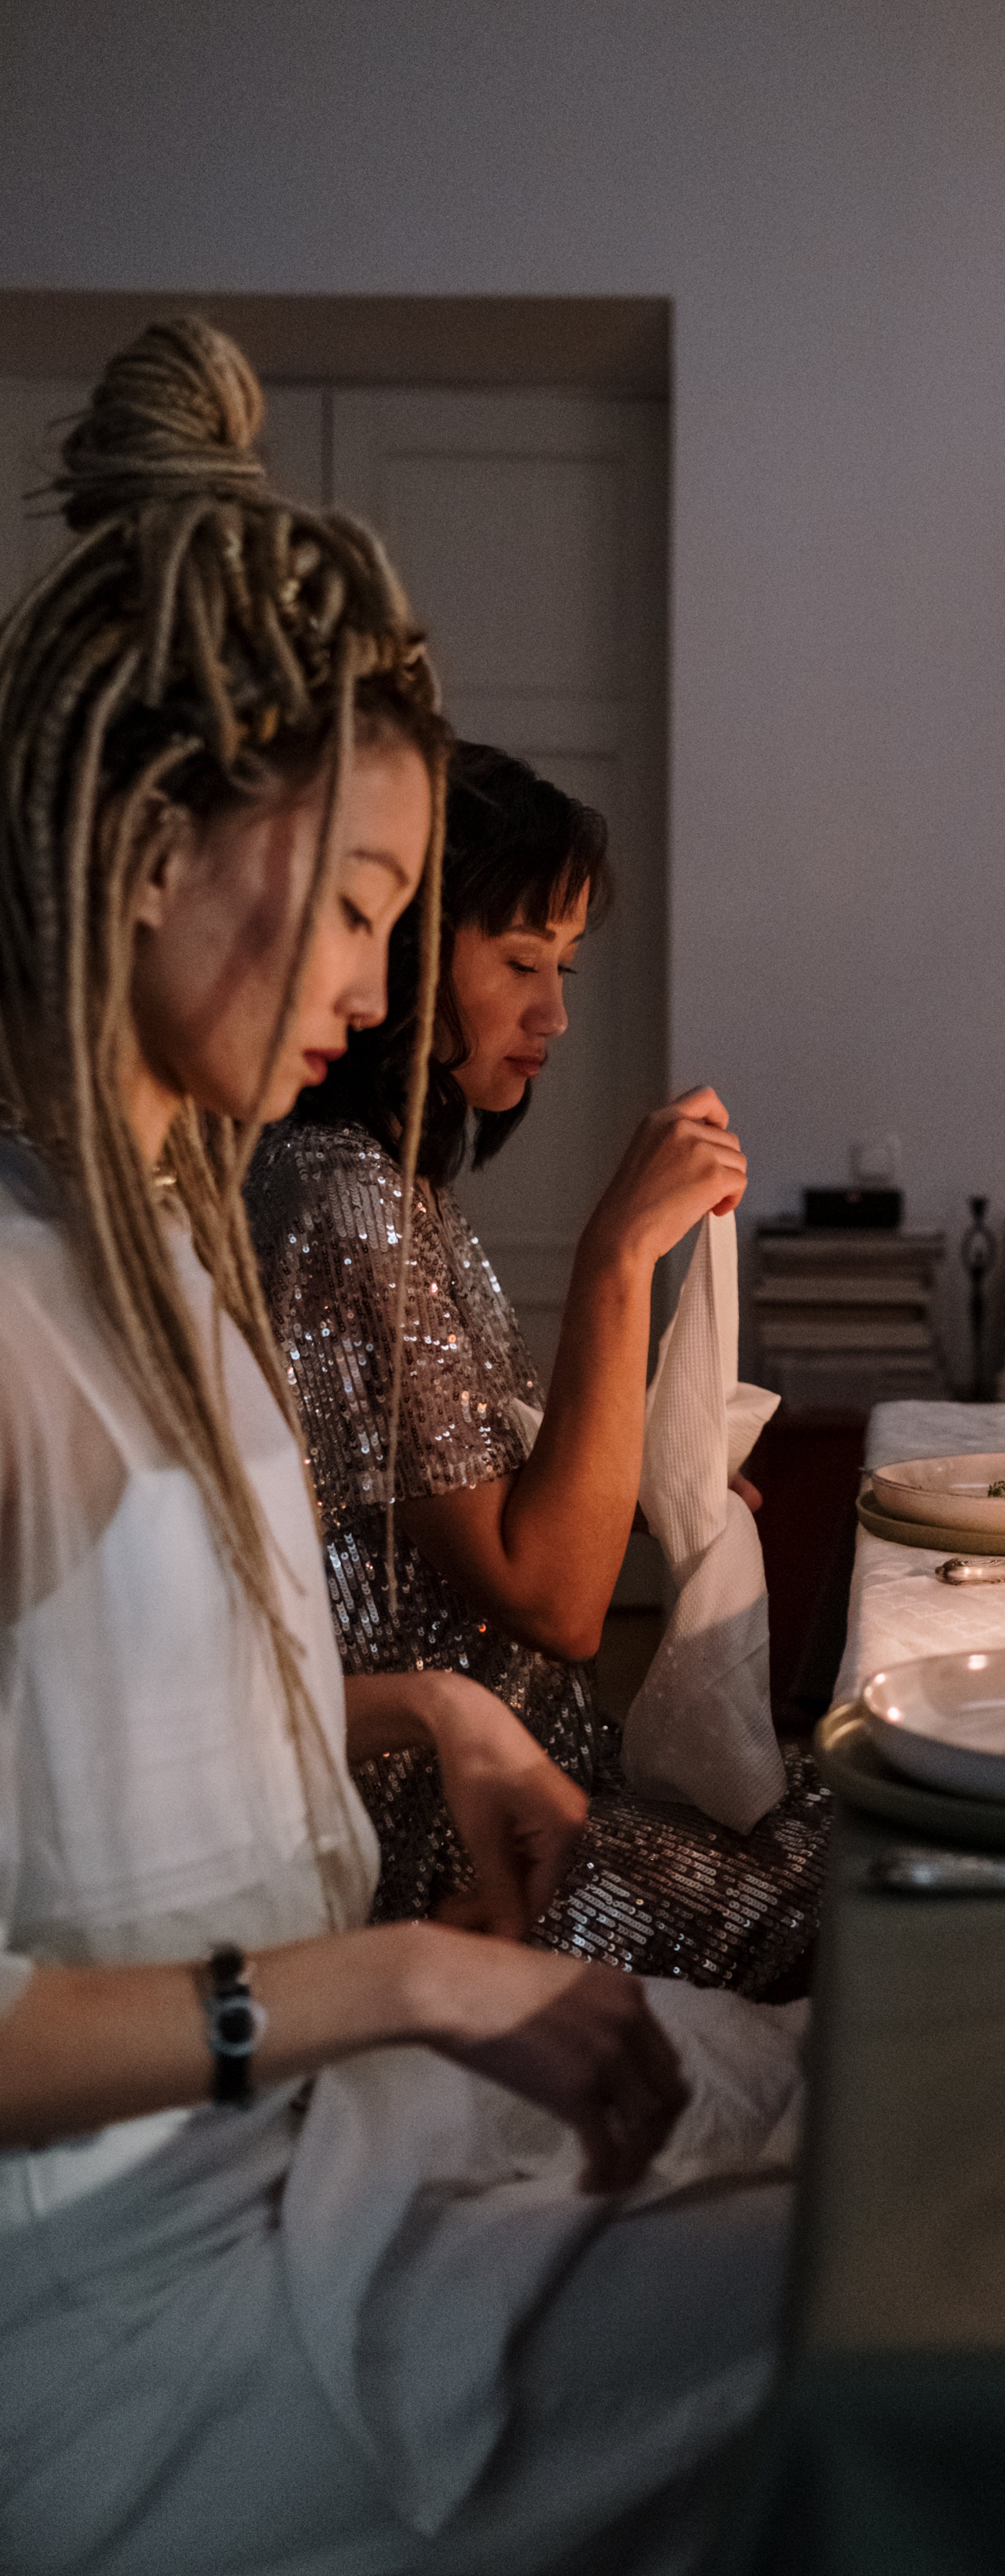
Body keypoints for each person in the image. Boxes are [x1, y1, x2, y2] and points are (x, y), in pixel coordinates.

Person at [0, 318, 798, 2576]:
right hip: (135, 2312)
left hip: (292, 2141)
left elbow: (81, 1732)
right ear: (156, 849)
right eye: (361, 906)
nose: (380, 983)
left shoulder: (160, 1232)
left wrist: (415, 1698)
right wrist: (420, 1973)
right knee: (869, 2317)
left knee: (873, 2136)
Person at [246, 744, 829, 1993]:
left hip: (531, 1764)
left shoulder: (396, 1187)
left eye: (561, 970)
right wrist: (621, 1253)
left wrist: (655, 1474)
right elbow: (553, 1599)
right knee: (868, 1884)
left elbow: (468, 1520)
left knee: (869, 1784)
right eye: (518, 963)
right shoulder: (343, 1197)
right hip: (450, 1838)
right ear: (398, 946)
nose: (554, 1014)